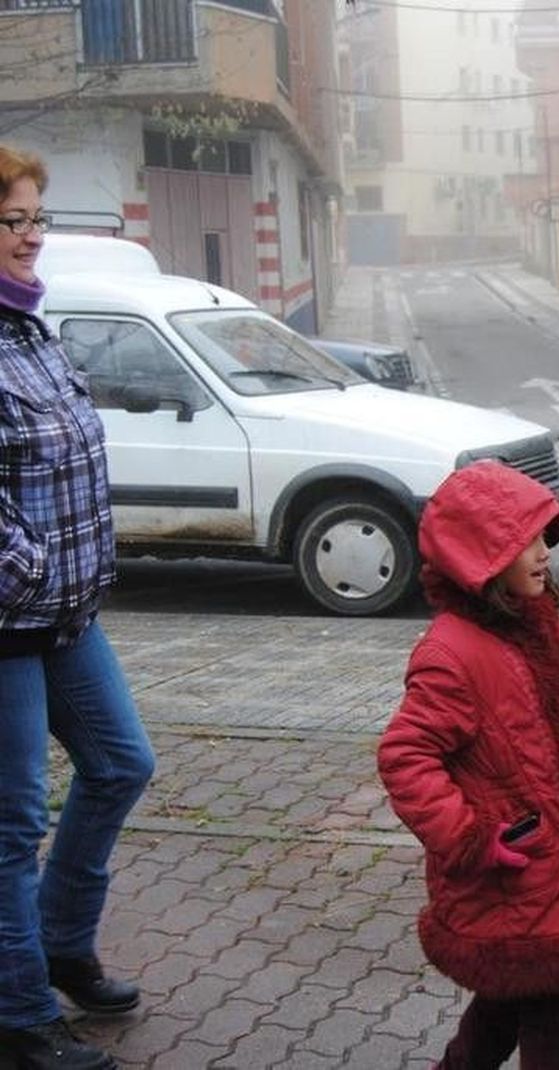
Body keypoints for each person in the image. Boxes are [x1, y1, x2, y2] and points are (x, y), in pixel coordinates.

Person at [377, 460, 559, 1070]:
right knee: (551, 1007)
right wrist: (470, 838)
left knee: (513, 1001)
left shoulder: (534, 624)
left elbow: (558, 718)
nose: (545, 552)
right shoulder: (451, 654)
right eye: (524, 541)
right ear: (479, 557)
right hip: (517, 866)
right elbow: (405, 756)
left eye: (543, 535)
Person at [0, 145, 155, 1070]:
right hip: (9, 622)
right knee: (13, 822)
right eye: (12, 221)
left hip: (64, 614)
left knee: (120, 764)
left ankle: (60, 941)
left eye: (35, 219)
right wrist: (30, 576)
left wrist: (73, 577)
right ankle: (18, 1017)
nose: (31, 237)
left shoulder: (29, 329)